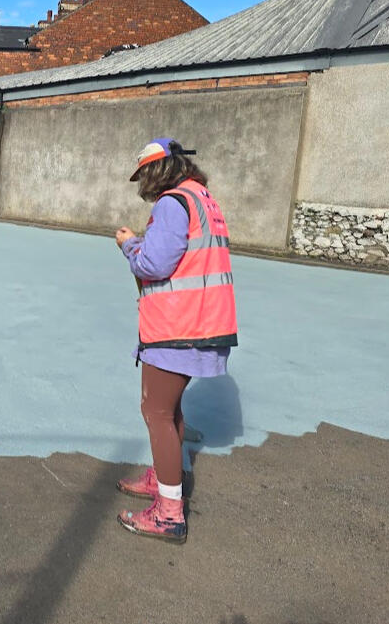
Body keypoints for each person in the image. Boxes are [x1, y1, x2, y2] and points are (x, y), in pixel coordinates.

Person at [114, 138, 237, 543]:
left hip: (178, 326)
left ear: (157, 171)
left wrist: (130, 245)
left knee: (156, 411)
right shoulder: (203, 199)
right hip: (202, 322)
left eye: (144, 176)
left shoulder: (172, 202)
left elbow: (154, 263)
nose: (143, 186)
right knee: (170, 409)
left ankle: (169, 513)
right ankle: (163, 478)